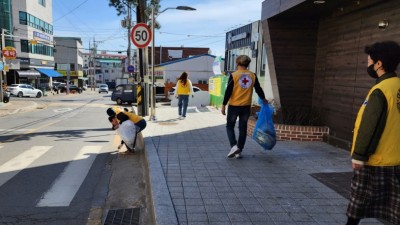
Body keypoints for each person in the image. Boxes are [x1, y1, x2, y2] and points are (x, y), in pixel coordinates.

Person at [346, 41, 400, 225]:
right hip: (396, 160)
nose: (367, 64)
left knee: (357, 204)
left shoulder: (380, 91)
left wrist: (359, 155)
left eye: (369, 61)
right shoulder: (397, 86)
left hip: (376, 159)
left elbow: (369, 125)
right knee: (394, 208)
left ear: (379, 64)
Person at [221, 55, 268, 159]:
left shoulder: (234, 75)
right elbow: (258, 89)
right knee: (243, 129)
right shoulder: (253, 75)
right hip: (246, 107)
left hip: (234, 106)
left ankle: (234, 146)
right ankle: (239, 150)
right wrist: (264, 99)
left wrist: (223, 105)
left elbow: (228, 91)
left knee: (230, 126)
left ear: (237, 63)